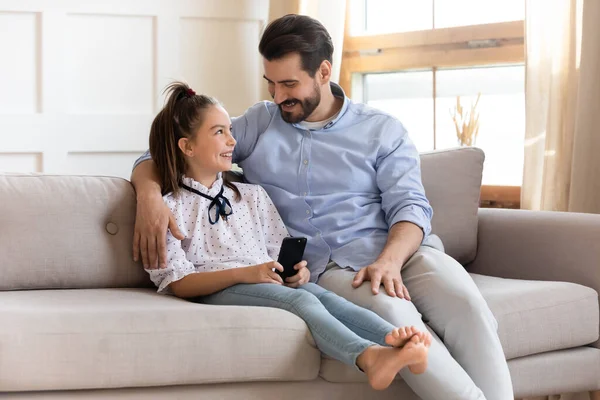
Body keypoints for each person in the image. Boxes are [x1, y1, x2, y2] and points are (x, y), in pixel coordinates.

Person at [132, 14, 513, 400]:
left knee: (469, 307)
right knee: (395, 315)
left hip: (406, 253)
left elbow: (411, 208)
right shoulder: (260, 122)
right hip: (335, 268)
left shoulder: (381, 129)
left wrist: (390, 260)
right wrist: (149, 196)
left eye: (289, 84)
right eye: (272, 84)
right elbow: (170, 147)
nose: (278, 96)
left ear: (324, 71)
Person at [143, 81, 432, 391]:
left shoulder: (250, 196)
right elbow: (180, 284)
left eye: (230, 129)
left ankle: (398, 340)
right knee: (300, 302)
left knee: (320, 296)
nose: (232, 140)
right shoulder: (169, 208)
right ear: (187, 147)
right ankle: (368, 357)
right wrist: (248, 274)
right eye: (219, 132)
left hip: (262, 281)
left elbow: (276, 250)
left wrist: (296, 272)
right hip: (219, 288)